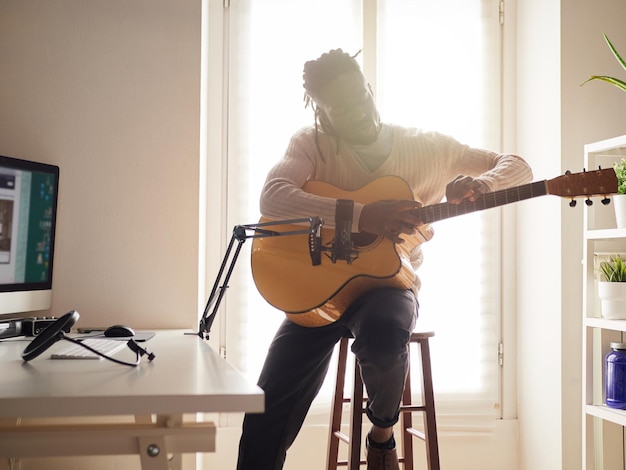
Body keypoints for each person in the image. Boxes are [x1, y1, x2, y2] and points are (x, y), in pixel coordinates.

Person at [236, 49, 533, 470]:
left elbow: (517, 165)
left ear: (369, 89)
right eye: (340, 107)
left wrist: (481, 184)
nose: (356, 111)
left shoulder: (424, 147)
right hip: (318, 291)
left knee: (381, 339)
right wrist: (360, 214)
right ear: (321, 113)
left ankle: (381, 434)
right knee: (264, 411)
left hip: (388, 286)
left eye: (359, 96)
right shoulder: (311, 143)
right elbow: (274, 195)